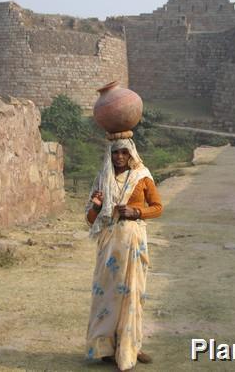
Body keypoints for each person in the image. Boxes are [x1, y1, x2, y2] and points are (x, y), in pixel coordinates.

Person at [85, 137, 163, 371]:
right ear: (110, 155)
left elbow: (158, 207)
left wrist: (136, 211)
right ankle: (105, 348)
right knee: (107, 295)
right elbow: (91, 220)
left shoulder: (142, 176)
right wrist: (97, 206)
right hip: (109, 245)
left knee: (132, 293)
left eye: (123, 152)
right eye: (115, 153)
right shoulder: (103, 178)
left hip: (134, 242)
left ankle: (131, 347)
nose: (119, 157)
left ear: (131, 154)